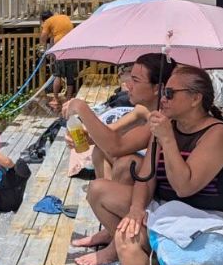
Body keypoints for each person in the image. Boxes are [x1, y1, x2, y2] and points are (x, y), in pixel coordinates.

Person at [78, 66, 223, 265]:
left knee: (127, 236)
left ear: (195, 98)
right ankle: (137, 258)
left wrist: (167, 139)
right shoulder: (165, 126)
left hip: (207, 221)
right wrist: (135, 210)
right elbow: (146, 177)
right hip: (169, 211)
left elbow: (184, 186)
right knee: (100, 191)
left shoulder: (217, 134)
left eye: (170, 93)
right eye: (164, 91)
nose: (163, 98)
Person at [63, 56, 175, 254]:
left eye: (135, 80)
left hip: (163, 195)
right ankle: (110, 229)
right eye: (129, 77)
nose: (127, 85)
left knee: (126, 163)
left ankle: (117, 243)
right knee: (101, 151)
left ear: (157, 88)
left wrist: (82, 108)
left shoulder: (165, 116)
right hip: (147, 183)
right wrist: (85, 136)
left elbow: (117, 146)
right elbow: (110, 134)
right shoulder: (144, 109)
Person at [38, 11, 76, 111]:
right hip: (72, 47)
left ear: (43, 20)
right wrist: (50, 52)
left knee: (58, 75)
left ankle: (56, 99)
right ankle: (68, 99)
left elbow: (44, 36)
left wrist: (42, 46)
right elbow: (53, 38)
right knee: (70, 75)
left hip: (60, 48)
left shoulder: (48, 22)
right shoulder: (63, 17)